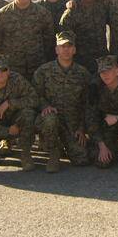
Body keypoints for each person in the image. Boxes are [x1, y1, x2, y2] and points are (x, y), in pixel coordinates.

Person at [32, 31, 91, 173]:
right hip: (50, 119)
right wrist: (44, 106)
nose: (66, 50)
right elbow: (34, 95)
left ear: (74, 50)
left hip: (72, 122)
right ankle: (53, 154)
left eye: (69, 46)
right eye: (62, 46)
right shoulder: (43, 71)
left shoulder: (82, 73)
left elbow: (87, 103)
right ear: (56, 49)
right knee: (50, 118)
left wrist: (82, 128)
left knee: (81, 159)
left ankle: (65, 144)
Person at [0, 0, 55, 79]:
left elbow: (49, 39)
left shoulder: (42, 13)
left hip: (37, 65)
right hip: (12, 67)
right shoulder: (1, 15)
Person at [59, 0, 109, 74]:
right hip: (81, 60)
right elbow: (64, 36)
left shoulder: (102, 5)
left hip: (101, 57)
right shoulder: (72, 11)